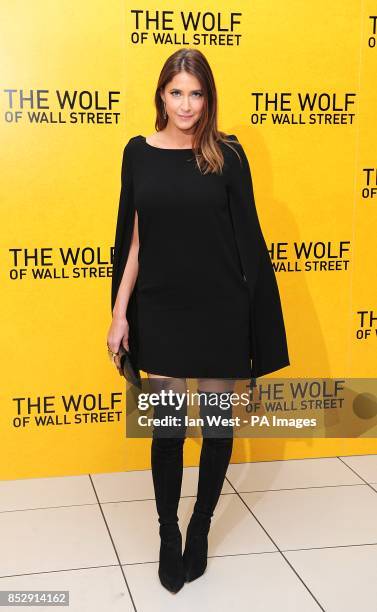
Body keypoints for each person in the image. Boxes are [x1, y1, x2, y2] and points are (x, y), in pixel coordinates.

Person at [107, 48, 290, 594]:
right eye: (176, 92)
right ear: (161, 94)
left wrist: (253, 322)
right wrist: (120, 314)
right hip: (160, 309)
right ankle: (167, 535)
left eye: (196, 93)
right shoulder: (138, 153)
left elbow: (247, 241)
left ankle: (200, 527)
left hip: (219, 311)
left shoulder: (227, 155)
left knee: (216, 428)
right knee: (166, 432)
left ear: (208, 98)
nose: (186, 104)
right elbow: (133, 239)